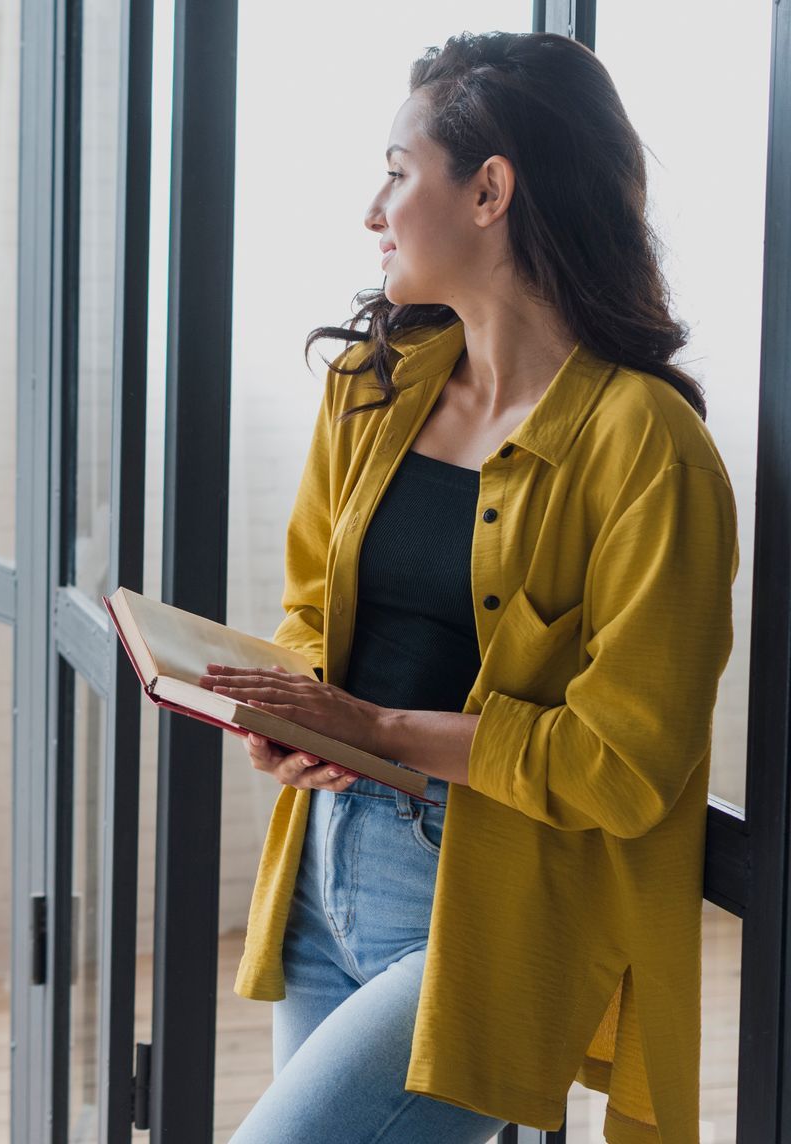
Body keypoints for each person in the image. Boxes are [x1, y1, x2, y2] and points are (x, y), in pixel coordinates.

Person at [206, 31, 740, 1144]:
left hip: (489, 906)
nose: (374, 208)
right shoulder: (374, 380)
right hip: (325, 860)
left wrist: (377, 726)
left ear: (490, 190)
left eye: (398, 171)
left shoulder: (649, 446)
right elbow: (312, 600)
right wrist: (296, 710)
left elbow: (627, 763)